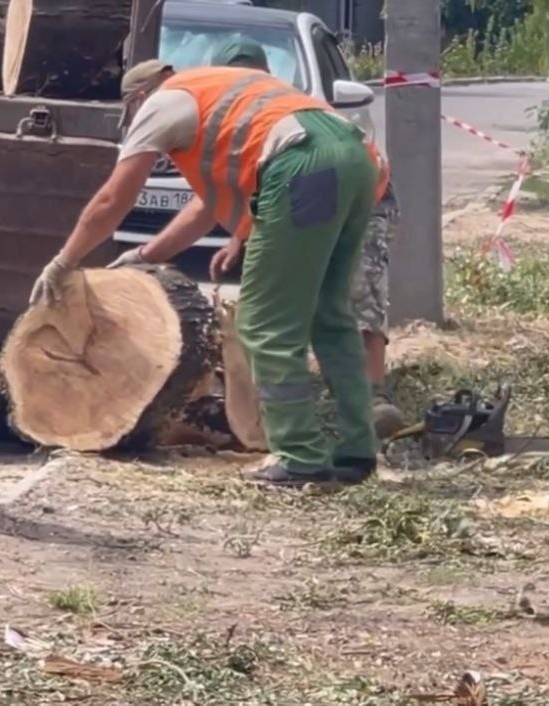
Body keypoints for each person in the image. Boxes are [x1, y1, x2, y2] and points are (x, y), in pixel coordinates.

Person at [32, 59, 381, 487]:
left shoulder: (162, 104)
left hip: (301, 165)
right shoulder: (219, 92)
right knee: (330, 315)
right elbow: (204, 210)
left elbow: (112, 198)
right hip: (356, 155)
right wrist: (146, 253)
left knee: (264, 322)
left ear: (138, 99)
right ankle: (356, 451)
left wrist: (63, 261)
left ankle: (300, 454)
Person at [202, 39, 409, 439]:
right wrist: (239, 238)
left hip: (364, 197)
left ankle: (372, 398)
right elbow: (258, 186)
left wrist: (149, 251)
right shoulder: (234, 117)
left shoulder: (285, 107)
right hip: (306, 199)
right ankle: (268, 395)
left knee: (355, 291)